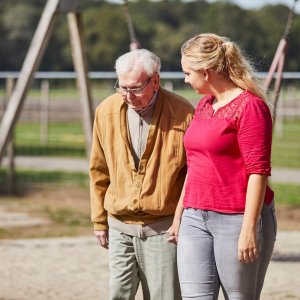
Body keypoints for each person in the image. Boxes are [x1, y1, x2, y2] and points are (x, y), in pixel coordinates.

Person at [167, 33, 277, 299]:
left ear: (205, 72)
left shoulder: (251, 107)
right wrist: (179, 215)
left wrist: (249, 229)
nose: (185, 79)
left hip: (236, 219)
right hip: (195, 216)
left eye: (187, 73)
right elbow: (194, 165)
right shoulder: (205, 105)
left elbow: (258, 172)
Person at [89, 49, 194, 300]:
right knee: (118, 295)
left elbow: (193, 175)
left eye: (135, 88)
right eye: (122, 87)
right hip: (119, 226)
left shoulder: (183, 113)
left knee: (164, 296)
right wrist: (99, 221)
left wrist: (182, 221)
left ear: (155, 81)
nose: (128, 95)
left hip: (163, 230)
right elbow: (98, 169)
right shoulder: (106, 111)